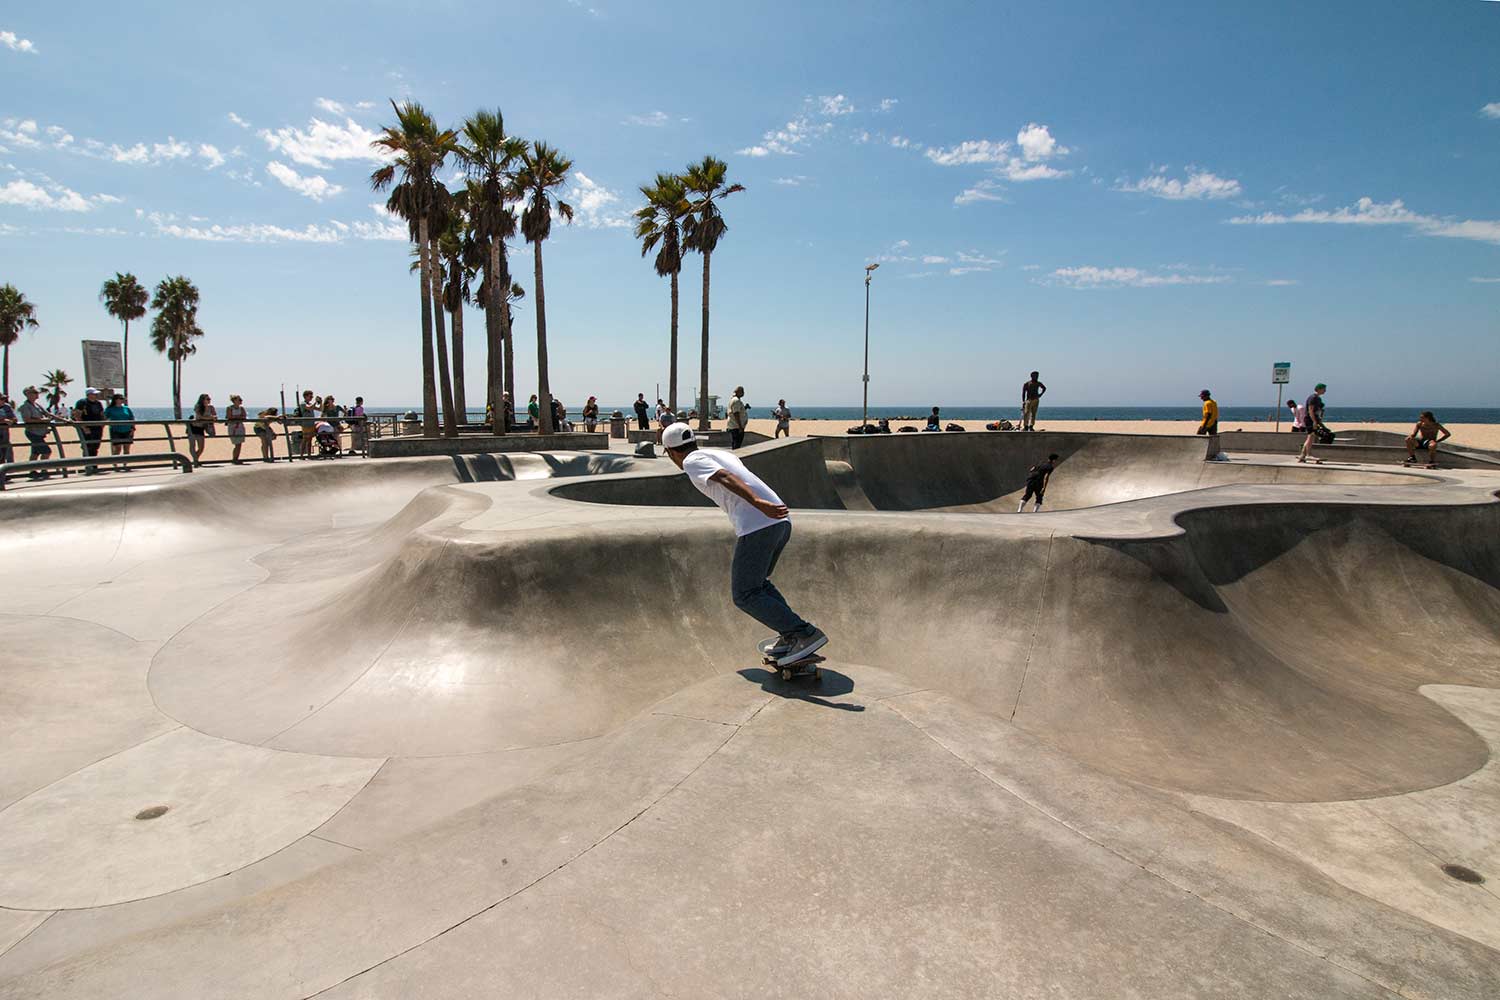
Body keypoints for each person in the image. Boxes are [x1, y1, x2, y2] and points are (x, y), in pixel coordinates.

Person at [662, 422, 827, 665]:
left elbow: (725, 477)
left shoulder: (690, 461)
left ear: (671, 452)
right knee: (758, 585)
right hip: (780, 523)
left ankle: (804, 633)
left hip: (759, 524)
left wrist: (758, 503)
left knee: (744, 594)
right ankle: (791, 634)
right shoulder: (718, 453)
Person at [19, 386, 57, 478]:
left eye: (37, 392)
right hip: (33, 433)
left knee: (35, 453)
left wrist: (63, 419)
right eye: (34, 392)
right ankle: (43, 469)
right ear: (28, 394)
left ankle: (32, 471)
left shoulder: (37, 405)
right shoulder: (25, 406)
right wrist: (42, 421)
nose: (37, 394)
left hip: (40, 433)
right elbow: (27, 419)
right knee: (46, 451)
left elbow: (48, 414)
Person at [77, 388, 106, 470]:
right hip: (87, 428)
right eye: (94, 394)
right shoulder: (82, 403)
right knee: (87, 446)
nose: (96, 396)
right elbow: (77, 415)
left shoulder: (98, 403)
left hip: (97, 428)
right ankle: (88, 465)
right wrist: (84, 427)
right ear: (89, 394)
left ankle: (94, 465)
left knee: (95, 446)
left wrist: (103, 424)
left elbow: (101, 414)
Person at [1298, 383, 1327, 464]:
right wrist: (1314, 421)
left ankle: (1302, 456)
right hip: (1310, 419)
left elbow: (1319, 410)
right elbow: (1310, 410)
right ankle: (1308, 454)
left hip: (1314, 419)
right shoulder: (1313, 398)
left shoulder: (1318, 398)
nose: (1325, 391)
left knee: (1310, 436)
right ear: (1319, 389)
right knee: (1311, 436)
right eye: (1323, 389)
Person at [104, 393, 135, 469]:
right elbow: (104, 417)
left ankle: (125, 464)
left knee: (126, 448)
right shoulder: (110, 409)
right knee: (118, 448)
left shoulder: (126, 408)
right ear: (116, 400)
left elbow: (132, 418)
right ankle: (115, 463)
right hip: (116, 430)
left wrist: (133, 428)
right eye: (121, 399)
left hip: (127, 430)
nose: (122, 400)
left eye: (122, 399)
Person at [188, 393, 216, 466]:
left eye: (209, 399)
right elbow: (199, 417)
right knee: (192, 445)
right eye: (207, 399)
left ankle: (195, 460)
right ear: (203, 400)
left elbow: (215, 416)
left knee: (201, 447)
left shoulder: (211, 407)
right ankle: (195, 461)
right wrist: (210, 418)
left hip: (201, 428)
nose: (209, 400)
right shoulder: (198, 406)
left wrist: (212, 418)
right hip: (193, 427)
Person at [223, 394, 248, 464]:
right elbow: (229, 417)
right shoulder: (229, 408)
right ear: (234, 401)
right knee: (236, 443)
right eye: (239, 400)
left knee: (239, 444)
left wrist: (236, 417)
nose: (241, 401)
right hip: (233, 427)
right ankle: (234, 459)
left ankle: (236, 458)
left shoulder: (242, 408)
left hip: (240, 427)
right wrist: (238, 417)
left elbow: (244, 416)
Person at [295, 389, 318, 456]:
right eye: (310, 396)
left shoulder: (310, 404)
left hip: (311, 424)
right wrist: (315, 402)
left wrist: (320, 402)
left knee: (310, 440)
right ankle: (302, 455)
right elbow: (309, 408)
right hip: (305, 424)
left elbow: (319, 409)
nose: (311, 398)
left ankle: (309, 454)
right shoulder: (303, 403)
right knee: (304, 440)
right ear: (306, 396)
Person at [0, 392, 16, 465]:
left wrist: (11, 420)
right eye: (1, 399)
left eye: (4, 399)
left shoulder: (7, 407)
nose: (3, 400)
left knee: (4, 454)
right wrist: (3, 421)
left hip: (4, 435)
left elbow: (14, 418)